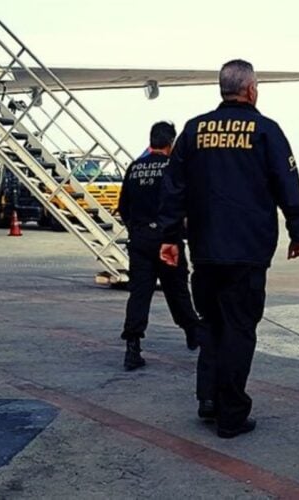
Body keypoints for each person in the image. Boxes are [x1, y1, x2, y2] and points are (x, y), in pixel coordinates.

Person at [158, 59, 299, 438]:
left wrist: (169, 238)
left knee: (212, 325)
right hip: (247, 251)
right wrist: (297, 229)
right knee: (240, 329)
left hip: (206, 249)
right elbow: (286, 182)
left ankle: (208, 399)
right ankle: (231, 413)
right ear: (252, 90)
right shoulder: (266, 130)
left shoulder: (193, 131)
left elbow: (173, 188)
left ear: (222, 89)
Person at [118, 121, 201, 371]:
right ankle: (192, 332)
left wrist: (136, 229)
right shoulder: (173, 167)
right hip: (168, 240)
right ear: (171, 142)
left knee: (139, 294)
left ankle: (132, 347)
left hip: (141, 240)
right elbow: (183, 202)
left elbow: (124, 207)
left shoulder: (134, 168)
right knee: (177, 291)